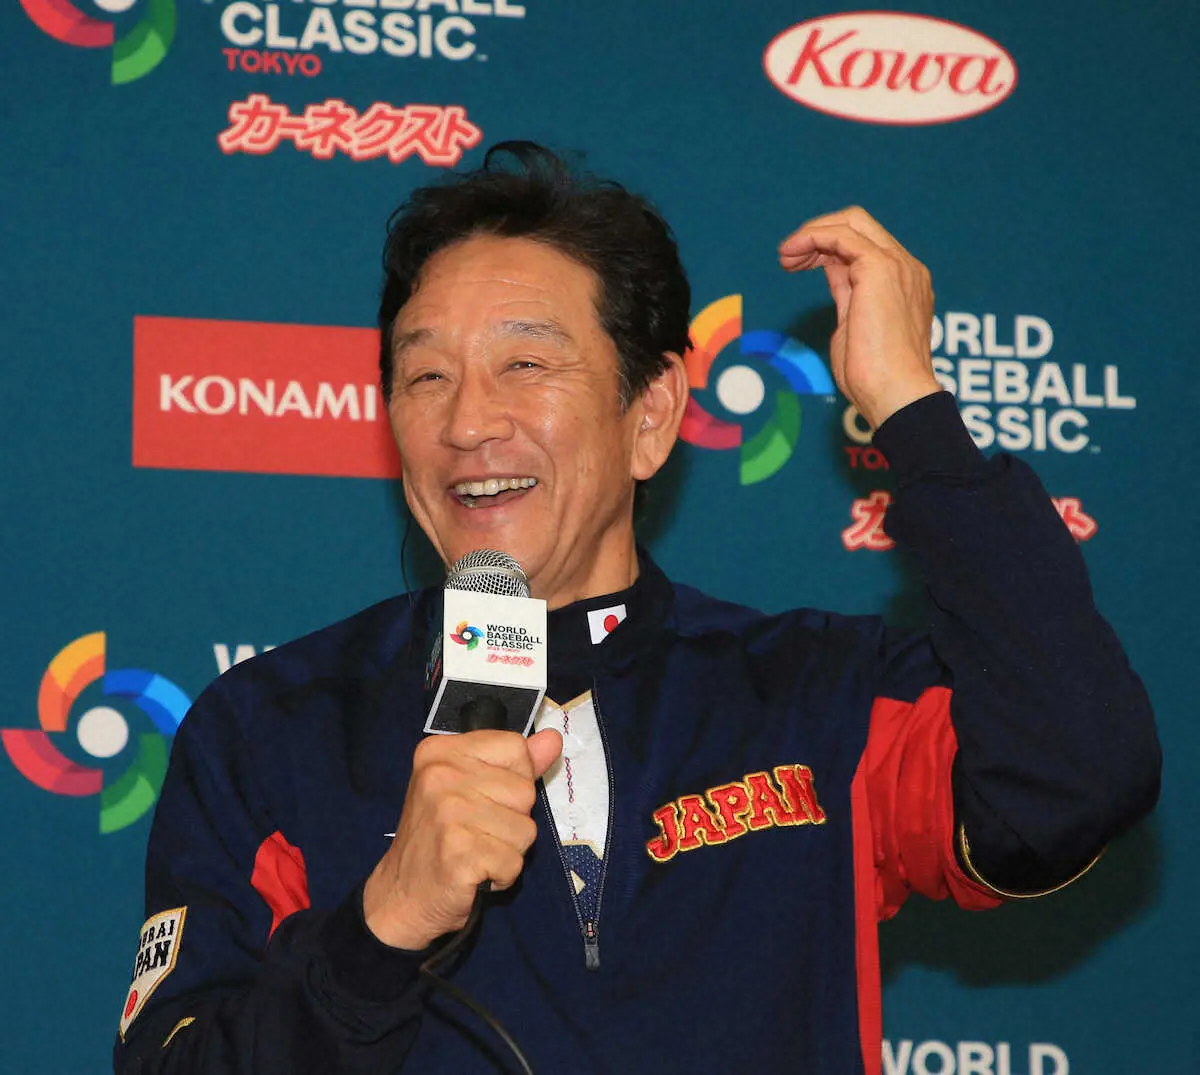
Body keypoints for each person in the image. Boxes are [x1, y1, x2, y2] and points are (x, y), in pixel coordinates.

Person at [113, 143, 1160, 1074]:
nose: (468, 422)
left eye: (526, 362)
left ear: (651, 413)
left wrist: (911, 409)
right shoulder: (272, 728)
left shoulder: (814, 696)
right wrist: (380, 926)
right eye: (425, 374)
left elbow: (1073, 776)